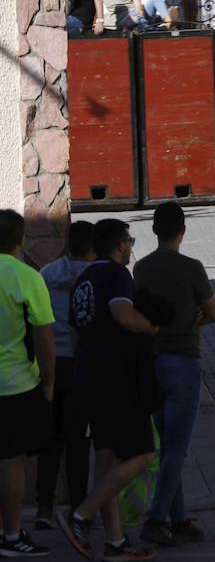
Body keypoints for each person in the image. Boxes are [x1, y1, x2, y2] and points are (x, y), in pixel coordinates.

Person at [58, 219, 157, 561]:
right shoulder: (116, 276)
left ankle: (115, 542)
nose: (131, 247)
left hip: (87, 375)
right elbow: (123, 315)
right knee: (143, 452)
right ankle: (81, 514)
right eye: (129, 241)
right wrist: (151, 327)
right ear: (119, 245)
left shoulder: (83, 279)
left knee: (106, 456)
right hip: (117, 377)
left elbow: (74, 332)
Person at [133, 204, 215, 548]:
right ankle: (157, 519)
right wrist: (193, 319)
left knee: (168, 446)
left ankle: (179, 519)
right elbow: (214, 312)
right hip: (184, 360)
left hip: (152, 361)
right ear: (182, 230)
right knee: (177, 449)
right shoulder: (192, 268)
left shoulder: (141, 268)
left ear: (154, 231)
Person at [34, 222, 97, 532]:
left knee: (49, 440)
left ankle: (44, 507)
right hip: (80, 366)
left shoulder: (46, 274)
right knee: (78, 442)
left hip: (49, 364)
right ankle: (79, 507)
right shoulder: (95, 277)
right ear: (91, 248)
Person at [0, 209, 56, 559]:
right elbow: (45, 338)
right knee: (12, 462)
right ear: (21, 240)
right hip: (16, 384)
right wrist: (49, 382)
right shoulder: (27, 277)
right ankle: (11, 534)